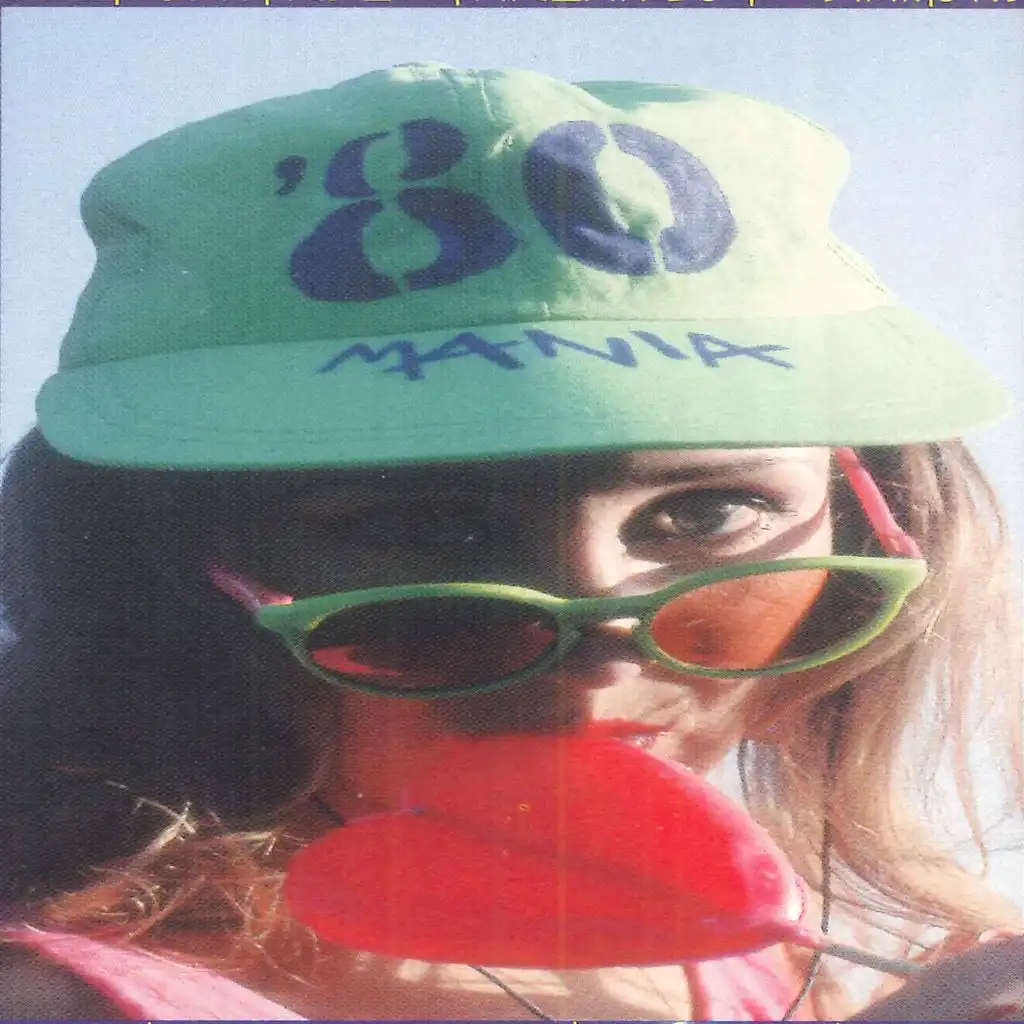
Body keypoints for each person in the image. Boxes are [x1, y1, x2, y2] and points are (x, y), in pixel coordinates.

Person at [0, 63, 1021, 1021]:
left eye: (708, 512)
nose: (599, 649)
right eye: (423, 526)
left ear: (871, 522)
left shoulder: (762, 965)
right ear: (159, 572)